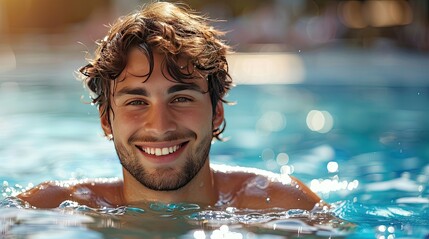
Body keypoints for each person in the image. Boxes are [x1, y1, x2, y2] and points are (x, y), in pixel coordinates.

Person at [17, 2, 323, 210]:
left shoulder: (283, 207)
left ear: (217, 112)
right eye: (137, 101)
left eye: (181, 98)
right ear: (106, 121)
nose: (160, 125)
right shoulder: (49, 208)